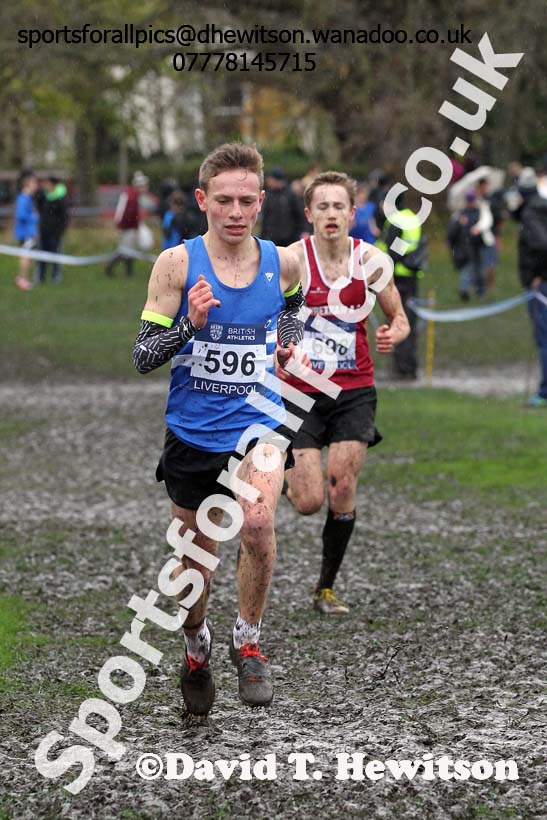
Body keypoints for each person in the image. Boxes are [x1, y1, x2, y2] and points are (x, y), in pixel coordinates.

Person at [133, 143, 306, 714]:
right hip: (191, 432)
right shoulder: (176, 265)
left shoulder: (282, 261)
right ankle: (196, 644)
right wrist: (191, 323)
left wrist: (287, 340)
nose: (236, 211)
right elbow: (142, 355)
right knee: (195, 562)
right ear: (204, 200)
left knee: (257, 523)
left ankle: (248, 641)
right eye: (225, 200)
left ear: (261, 202)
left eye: (247, 201)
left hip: (258, 425)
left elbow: (296, 304)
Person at [281, 171, 409, 614]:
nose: (331, 214)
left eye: (339, 207)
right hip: (299, 392)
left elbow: (400, 317)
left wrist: (393, 332)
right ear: (309, 213)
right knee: (308, 500)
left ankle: (325, 588)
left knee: (342, 486)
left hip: (354, 387)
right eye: (323, 206)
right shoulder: (291, 260)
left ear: (353, 213)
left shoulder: (370, 260)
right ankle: (282, 477)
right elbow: (266, 322)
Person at [378, 191, 427, 379]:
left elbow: (393, 250)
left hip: (397, 278)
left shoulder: (395, 220)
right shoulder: (412, 218)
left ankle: (402, 368)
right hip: (412, 276)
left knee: (397, 321)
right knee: (409, 322)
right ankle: (410, 365)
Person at [514, 168, 547, 407]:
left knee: (544, 337)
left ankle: (545, 391)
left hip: (541, 285)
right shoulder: (540, 207)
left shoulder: (531, 214)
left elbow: (541, 244)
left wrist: (539, 274)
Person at [105, 170, 149, 277]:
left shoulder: (133, 195)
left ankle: (128, 272)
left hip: (130, 227)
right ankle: (110, 267)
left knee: (129, 249)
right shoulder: (131, 196)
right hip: (128, 227)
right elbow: (126, 213)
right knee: (125, 250)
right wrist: (127, 225)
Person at [35, 176, 70, 284]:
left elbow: (65, 216)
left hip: (55, 232)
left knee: (55, 255)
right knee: (42, 255)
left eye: (48, 183)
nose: (46, 185)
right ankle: (41, 276)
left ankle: (56, 275)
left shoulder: (61, 198)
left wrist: (60, 230)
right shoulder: (44, 196)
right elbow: (38, 204)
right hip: (44, 230)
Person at [260, 168, 305, 246]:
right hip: (271, 239)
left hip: (288, 240)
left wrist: (296, 235)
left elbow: (299, 216)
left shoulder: (290, 195)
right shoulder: (269, 195)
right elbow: (266, 218)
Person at [13, 171, 39, 291]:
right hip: (25, 234)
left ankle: (25, 278)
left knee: (29, 256)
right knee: (25, 256)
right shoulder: (23, 199)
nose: (36, 185)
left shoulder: (27, 198)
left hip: (29, 233)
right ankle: (22, 279)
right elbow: (21, 216)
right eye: (34, 183)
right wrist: (35, 217)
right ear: (28, 184)